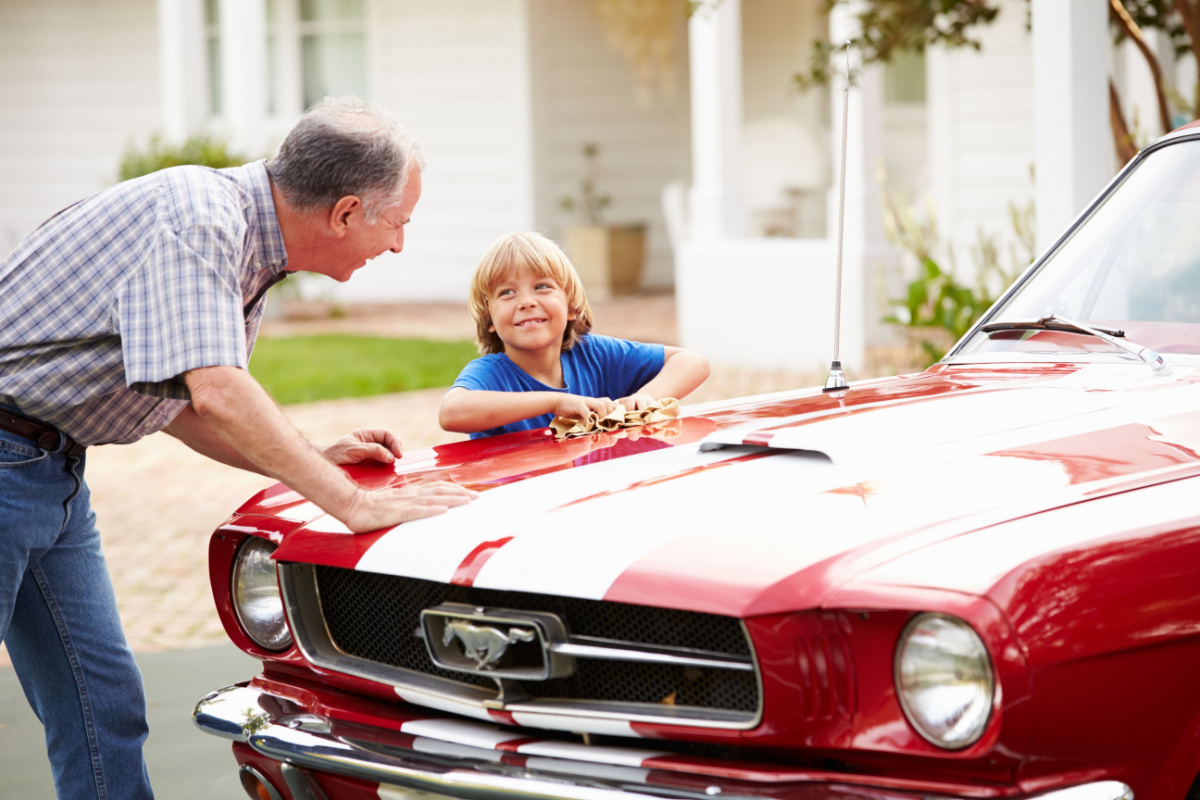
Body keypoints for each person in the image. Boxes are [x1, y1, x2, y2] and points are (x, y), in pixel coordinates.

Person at [0, 96, 477, 799]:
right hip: (9, 460)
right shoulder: (200, 221)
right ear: (346, 213)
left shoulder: (239, 236)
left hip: (48, 466)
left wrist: (315, 456)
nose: (399, 244)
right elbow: (218, 390)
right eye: (398, 222)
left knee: (102, 704)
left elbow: (181, 402)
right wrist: (351, 503)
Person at [439, 231, 710, 438]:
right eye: (506, 292)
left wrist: (648, 397)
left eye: (541, 286)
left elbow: (693, 362)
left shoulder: (595, 355)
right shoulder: (491, 374)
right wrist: (556, 402)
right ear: (489, 319)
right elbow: (451, 412)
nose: (526, 302)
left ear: (571, 306)